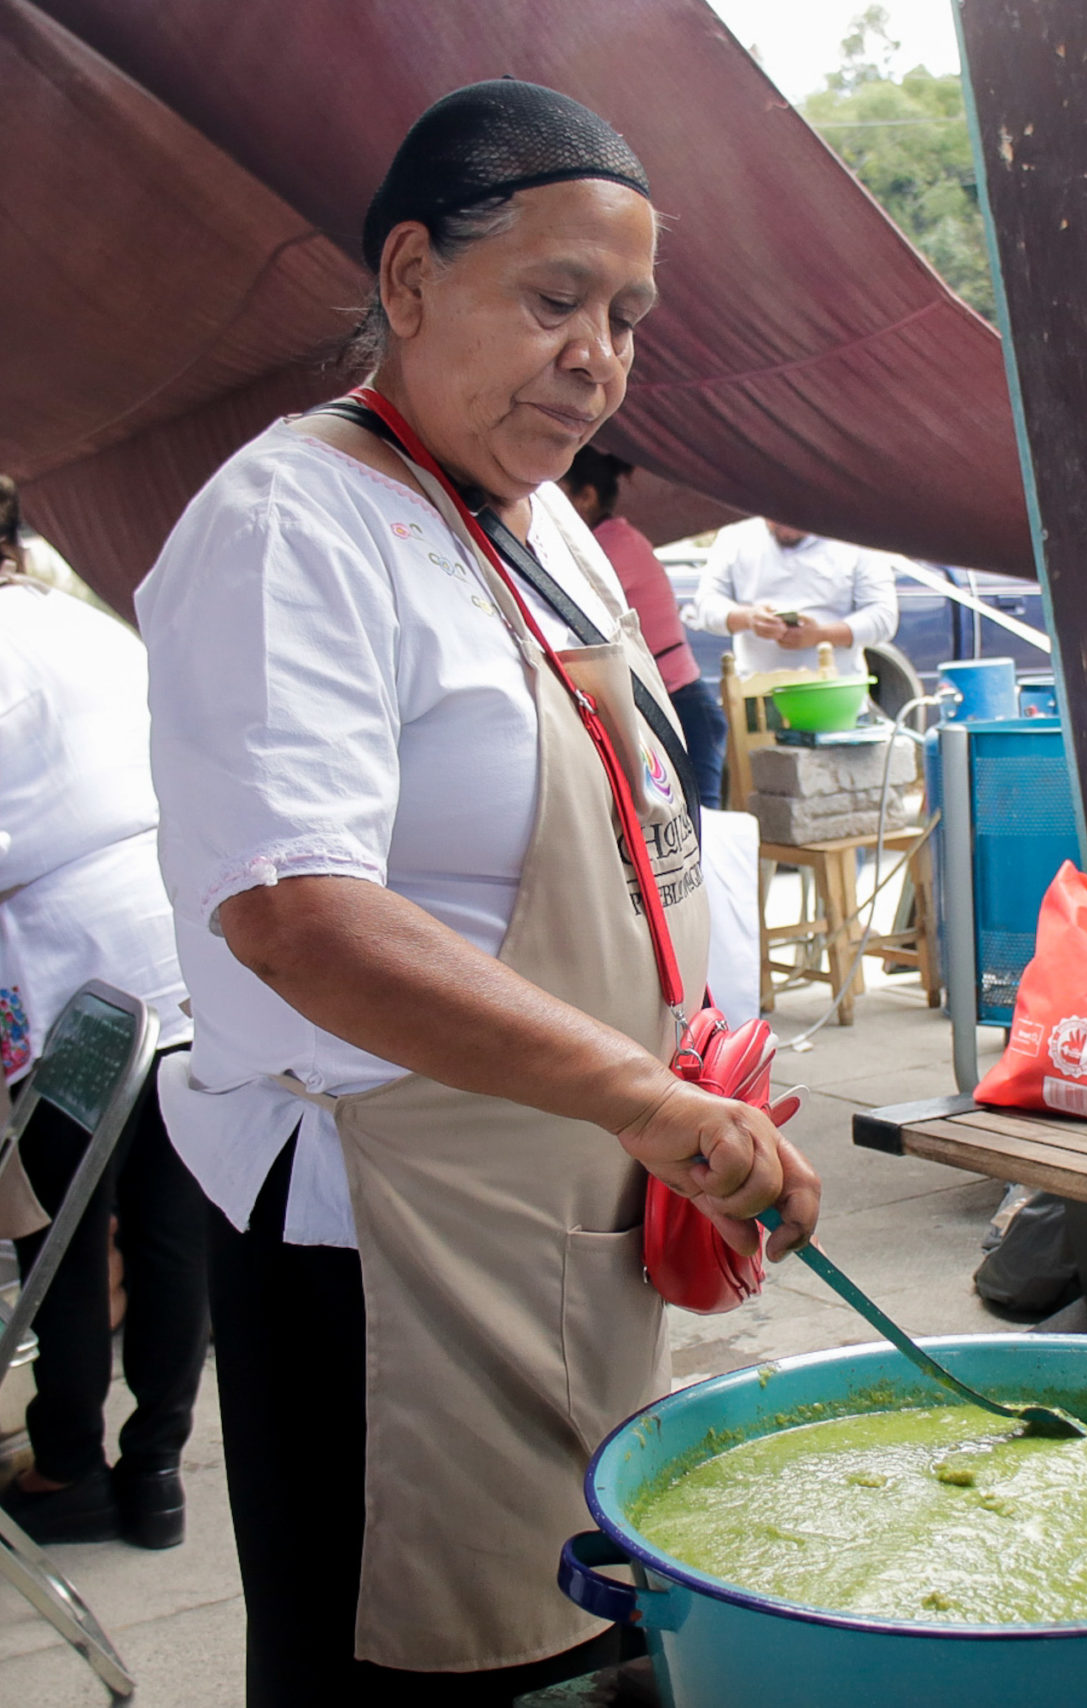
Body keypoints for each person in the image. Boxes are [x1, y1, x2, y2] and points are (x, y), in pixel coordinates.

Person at [139, 80, 820, 1705]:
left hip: (570, 1203)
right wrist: (647, 1096)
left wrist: (687, 1080)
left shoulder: (540, 526)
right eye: (556, 298)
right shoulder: (291, 522)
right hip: (388, 1247)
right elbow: (298, 910)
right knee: (406, 1661)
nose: (598, 355)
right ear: (409, 278)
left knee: (575, 1637)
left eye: (630, 318)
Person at [0, 476, 205, 1550]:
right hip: (172, 927)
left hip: (64, 965)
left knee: (56, 1229)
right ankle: (154, 1471)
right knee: (166, 1223)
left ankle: (66, 1466)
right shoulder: (89, 627)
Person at [561, 448, 728, 808]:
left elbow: (566, 613)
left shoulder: (612, 546)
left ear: (585, 497)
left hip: (682, 707)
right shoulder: (607, 541)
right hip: (664, 702)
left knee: (699, 838)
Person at [692, 517, 901, 678]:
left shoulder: (854, 536)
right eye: (775, 517)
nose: (785, 526)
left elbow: (884, 617)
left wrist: (821, 634)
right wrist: (748, 618)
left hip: (835, 695)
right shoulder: (736, 535)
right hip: (756, 696)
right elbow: (705, 604)